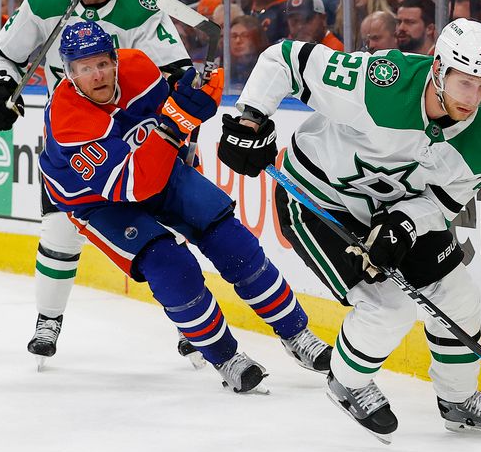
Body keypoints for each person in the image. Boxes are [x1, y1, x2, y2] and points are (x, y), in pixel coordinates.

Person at [215, 18, 481, 439]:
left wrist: (406, 224)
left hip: (393, 210)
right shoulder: (380, 84)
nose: (473, 98)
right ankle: (349, 382)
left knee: (458, 296)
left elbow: (445, 202)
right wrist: (250, 119)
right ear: (438, 68)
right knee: (388, 308)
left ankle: (457, 400)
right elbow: (284, 59)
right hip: (317, 199)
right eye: (464, 83)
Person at [39, 21, 331, 391]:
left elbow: (175, 114)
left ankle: (296, 335)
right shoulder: (69, 123)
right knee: (170, 266)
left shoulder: (139, 68)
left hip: (158, 166)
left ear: (114, 60)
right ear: (69, 74)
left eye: (101, 63)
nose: (96, 75)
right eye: (83, 68)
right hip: (100, 201)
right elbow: (136, 183)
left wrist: (194, 94)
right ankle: (225, 356)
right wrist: (178, 122)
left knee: (234, 243)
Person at [0, 0, 202, 367]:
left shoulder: (138, 5)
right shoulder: (45, 0)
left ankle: (191, 324)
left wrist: (182, 117)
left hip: (136, 136)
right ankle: (48, 320)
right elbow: (2, 57)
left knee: (168, 230)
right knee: (59, 231)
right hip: (71, 139)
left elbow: (175, 71)